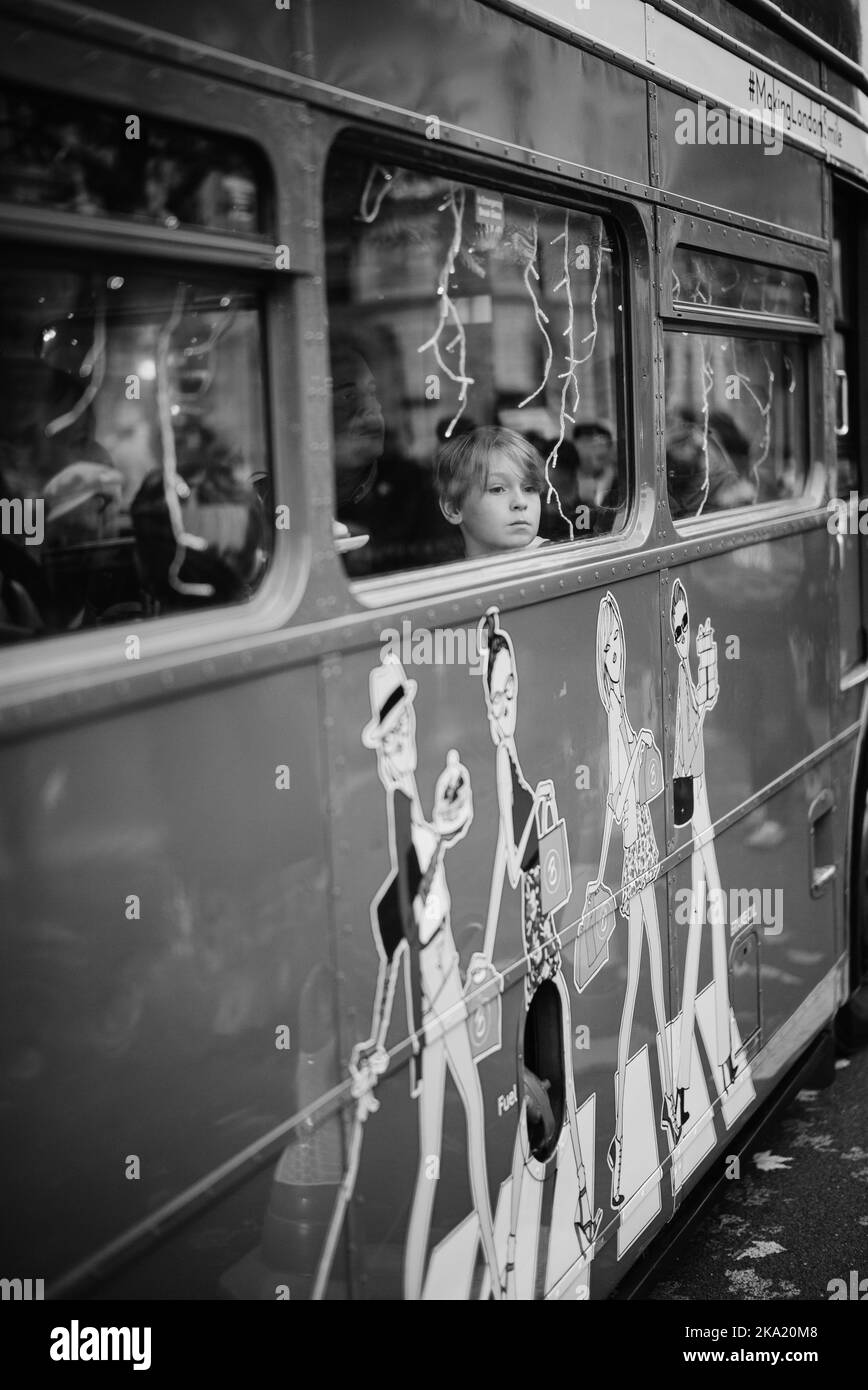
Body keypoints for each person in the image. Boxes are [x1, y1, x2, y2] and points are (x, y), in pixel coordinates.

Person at [346, 657, 502, 1301]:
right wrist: (379, 1040)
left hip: (441, 988)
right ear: (383, 745)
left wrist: (445, 821)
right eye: (395, 728)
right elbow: (400, 915)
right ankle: (485, 1274)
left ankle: (494, 1272)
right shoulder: (391, 802)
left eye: (407, 720)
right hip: (433, 996)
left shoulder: (406, 797)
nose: (406, 733)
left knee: (454, 1150)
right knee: (442, 1160)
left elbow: (422, 873)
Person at [477, 609, 602, 1297]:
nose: (505, 708)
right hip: (524, 959)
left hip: (541, 948)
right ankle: (519, 1259)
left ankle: (576, 1207)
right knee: (524, 1121)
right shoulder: (500, 766)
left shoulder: (513, 759)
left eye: (511, 693)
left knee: (555, 1095)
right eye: (495, 697)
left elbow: (524, 859)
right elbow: (504, 871)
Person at [589, 592, 679, 1209]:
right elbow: (615, 809)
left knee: (652, 996)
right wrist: (634, 761)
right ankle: (625, 1142)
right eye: (611, 648)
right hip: (635, 866)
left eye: (621, 645)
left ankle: (668, 1103)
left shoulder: (621, 711)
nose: (618, 656)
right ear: (602, 657)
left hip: (645, 861)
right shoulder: (608, 717)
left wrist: (643, 744)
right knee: (634, 1004)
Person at [670, 580, 738, 1131]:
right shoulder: (668, 679)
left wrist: (709, 658)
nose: (681, 633)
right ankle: (681, 1088)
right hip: (688, 806)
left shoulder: (683, 670)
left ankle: (717, 1056)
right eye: (677, 626)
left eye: (684, 624)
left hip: (700, 799)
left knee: (713, 915)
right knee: (698, 929)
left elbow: (706, 704)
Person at [435, 427, 546, 559]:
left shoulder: (559, 561)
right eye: (497, 489)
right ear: (454, 508)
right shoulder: (446, 577)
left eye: (530, 488)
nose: (521, 502)